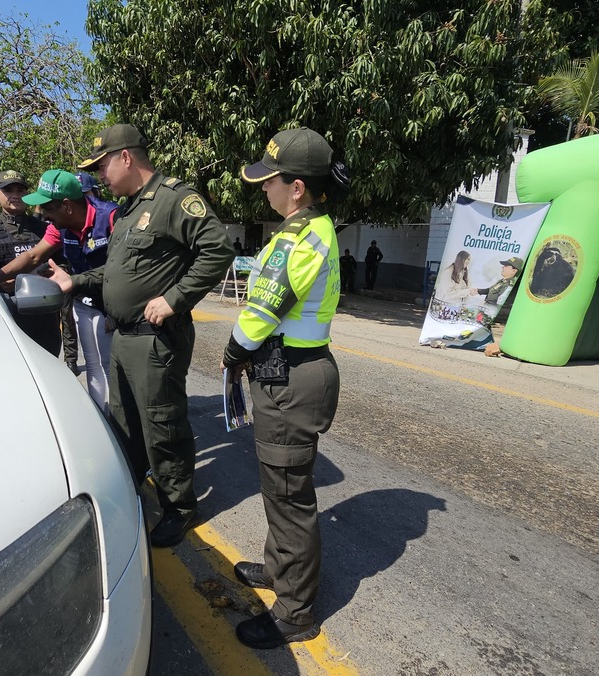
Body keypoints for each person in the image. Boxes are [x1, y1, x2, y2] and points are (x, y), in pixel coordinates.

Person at [48, 123, 235, 547]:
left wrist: (175, 299)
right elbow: (116, 272)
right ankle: (130, 488)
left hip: (155, 339)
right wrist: (74, 281)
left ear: (126, 157)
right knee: (126, 422)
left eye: (102, 165)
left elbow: (218, 250)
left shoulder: (172, 199)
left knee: (162, 426)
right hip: (123, 336)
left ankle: (180, 507)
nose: (99, 175)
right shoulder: (129, 210)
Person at [221, 127, 346, 650]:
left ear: (296, 188)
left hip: (291, 378)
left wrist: (233, 353)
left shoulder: (299, 238)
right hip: (290, 372)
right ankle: (279, 569)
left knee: (290, 496)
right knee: (280, 487)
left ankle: (294, 612)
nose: (263, 187)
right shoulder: (310, 229)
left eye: (269, 180)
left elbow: (263, 309)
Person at [0, 169, 119, 411]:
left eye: (47, 208)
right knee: (93, 365)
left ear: (67, 206)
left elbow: (124, 269)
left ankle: (119, 421)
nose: (43, 214)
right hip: (84, 304)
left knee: (112, 368)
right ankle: (102, 418)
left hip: (114, 306)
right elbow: (33, 256)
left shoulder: (112, 218)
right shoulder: (59, 226)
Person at [0, 170, 60, 356]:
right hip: (8, 316)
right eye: (8, 190)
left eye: (20, 190)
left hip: (44, 316)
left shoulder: (45, 228)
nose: (15, 195)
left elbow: (64, 265)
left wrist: (52, 276)